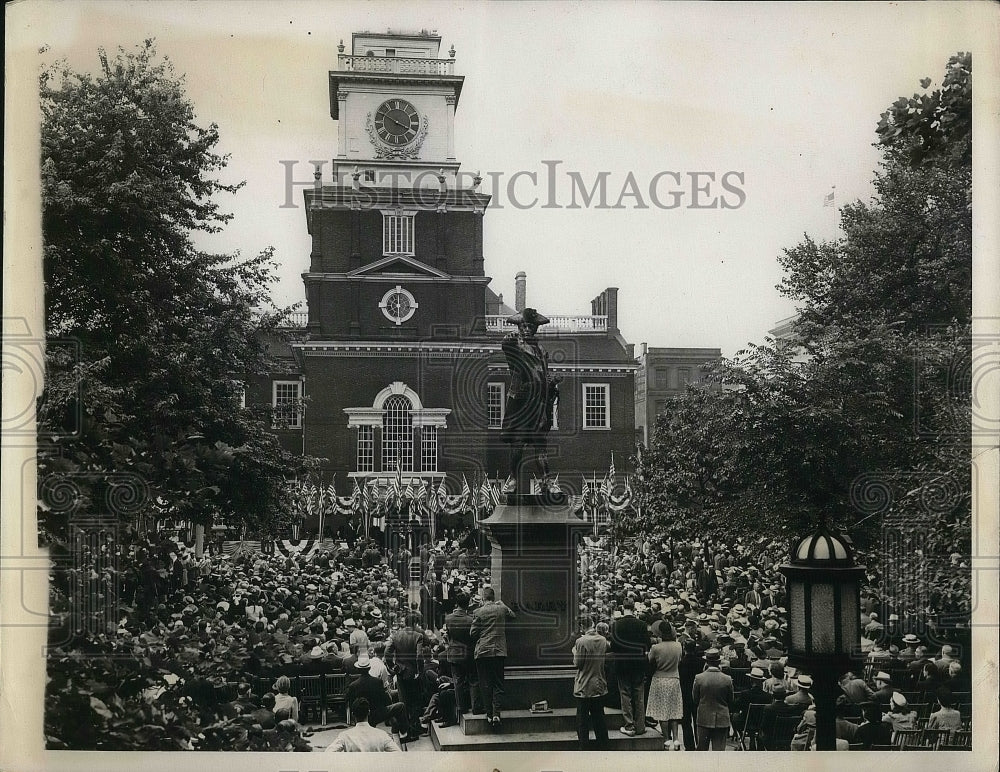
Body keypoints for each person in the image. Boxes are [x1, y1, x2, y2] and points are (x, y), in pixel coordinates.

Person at [500, 308, 561, 492]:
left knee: (539, 445)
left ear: (535, 329)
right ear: (519, 327)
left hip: (538, 404)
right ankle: (512, 479)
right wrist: (512, 334)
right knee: (517, 443)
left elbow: (543, 373)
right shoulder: (515, 345)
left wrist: (551, 383)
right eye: (524, 326)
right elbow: (506, 344)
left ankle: (547, 481)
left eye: (530, 326)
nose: (527, 329)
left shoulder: (541, 350)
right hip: (521, 403)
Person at [470, 586, 515, 730]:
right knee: (498, 683)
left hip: (483, 652)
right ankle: (496, 713)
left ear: (483, 598)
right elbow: (513, 615)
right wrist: (502, 604)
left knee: (485, 684)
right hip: (499, 651)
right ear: (494, 597)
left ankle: (489, 714)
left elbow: (473, 633)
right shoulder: (501, 609)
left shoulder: (478, 612)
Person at [346, 653, 418, 742]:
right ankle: (404, 734)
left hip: (362, 717)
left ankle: (399, 732)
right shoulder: (377, 682)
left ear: (357, 669)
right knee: (401, 706)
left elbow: (350, 702)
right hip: (378, 714)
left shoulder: (353, 685)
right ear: (369, 668)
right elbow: (385, 700)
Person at [610, 598, 651, 737]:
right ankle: (640, 726)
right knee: (639, 694)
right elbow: (647, 645)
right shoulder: (641, 624)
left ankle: (629, 725)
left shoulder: (616, 625)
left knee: (625, 694)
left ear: (623, 608)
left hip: (622, 664)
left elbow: (614, 647)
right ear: (633, 608)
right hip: (638, 664)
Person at [443, 591, 482, 721]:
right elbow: (475, 636)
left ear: (456, 603)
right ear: (468, 603)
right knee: (473, 680)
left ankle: (461, 707)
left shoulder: (448, 618)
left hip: (454, 653)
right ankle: (475, 707)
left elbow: (447, 635)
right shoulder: (471, 620)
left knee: (458, 682)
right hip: (469, 653)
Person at [572, 619, 610, 750]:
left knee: (582, 721)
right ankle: (604, 746)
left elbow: (578, 664)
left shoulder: (580, 642)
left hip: (584, 685)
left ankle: (584, 747)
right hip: (599, 684)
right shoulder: (603, 640)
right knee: (599, 718)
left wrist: (574, 652)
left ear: (582, 626)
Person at [647, 620, 684, 750]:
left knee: (662, 711)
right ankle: (676, 739)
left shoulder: (656, 648)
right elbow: (679, 661)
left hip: (660, 678)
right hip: (674, 678)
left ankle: (667, 739)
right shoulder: (679, 645)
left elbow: (650, 661)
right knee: (674, 710)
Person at [691, 648, 733, 751]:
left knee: (702, 749)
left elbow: (695, 699)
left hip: (704, 717)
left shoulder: (699, 678)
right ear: (719, 662)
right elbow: (730, 700)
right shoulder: (727, 679)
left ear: (706, 662)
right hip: (722, 718)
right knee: (719, 751)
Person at [325, 698, 401, 752]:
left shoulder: (345, 736)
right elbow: (398, 754)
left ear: (353, 715)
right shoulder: (382, 735)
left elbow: (328, 754)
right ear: (369, 712)